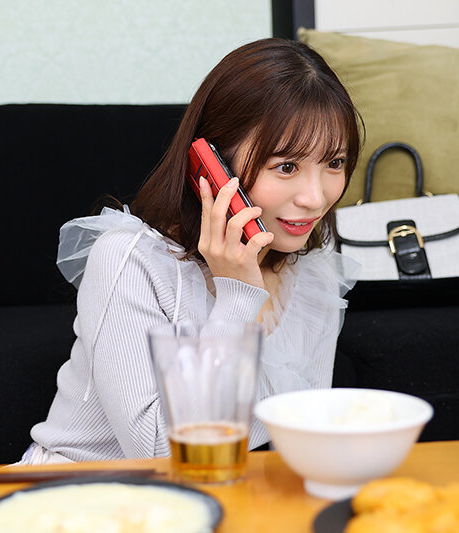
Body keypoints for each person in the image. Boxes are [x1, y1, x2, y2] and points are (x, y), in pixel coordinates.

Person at [20, 38, 362, 464]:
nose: (315, 197)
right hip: (80, 490)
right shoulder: (129, 260)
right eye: (286, 167)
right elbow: (159, 452)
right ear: (214, 166)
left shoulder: (312, 276)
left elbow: (302, 438)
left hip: (222, 488)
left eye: (334, 163)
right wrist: (237, 296)